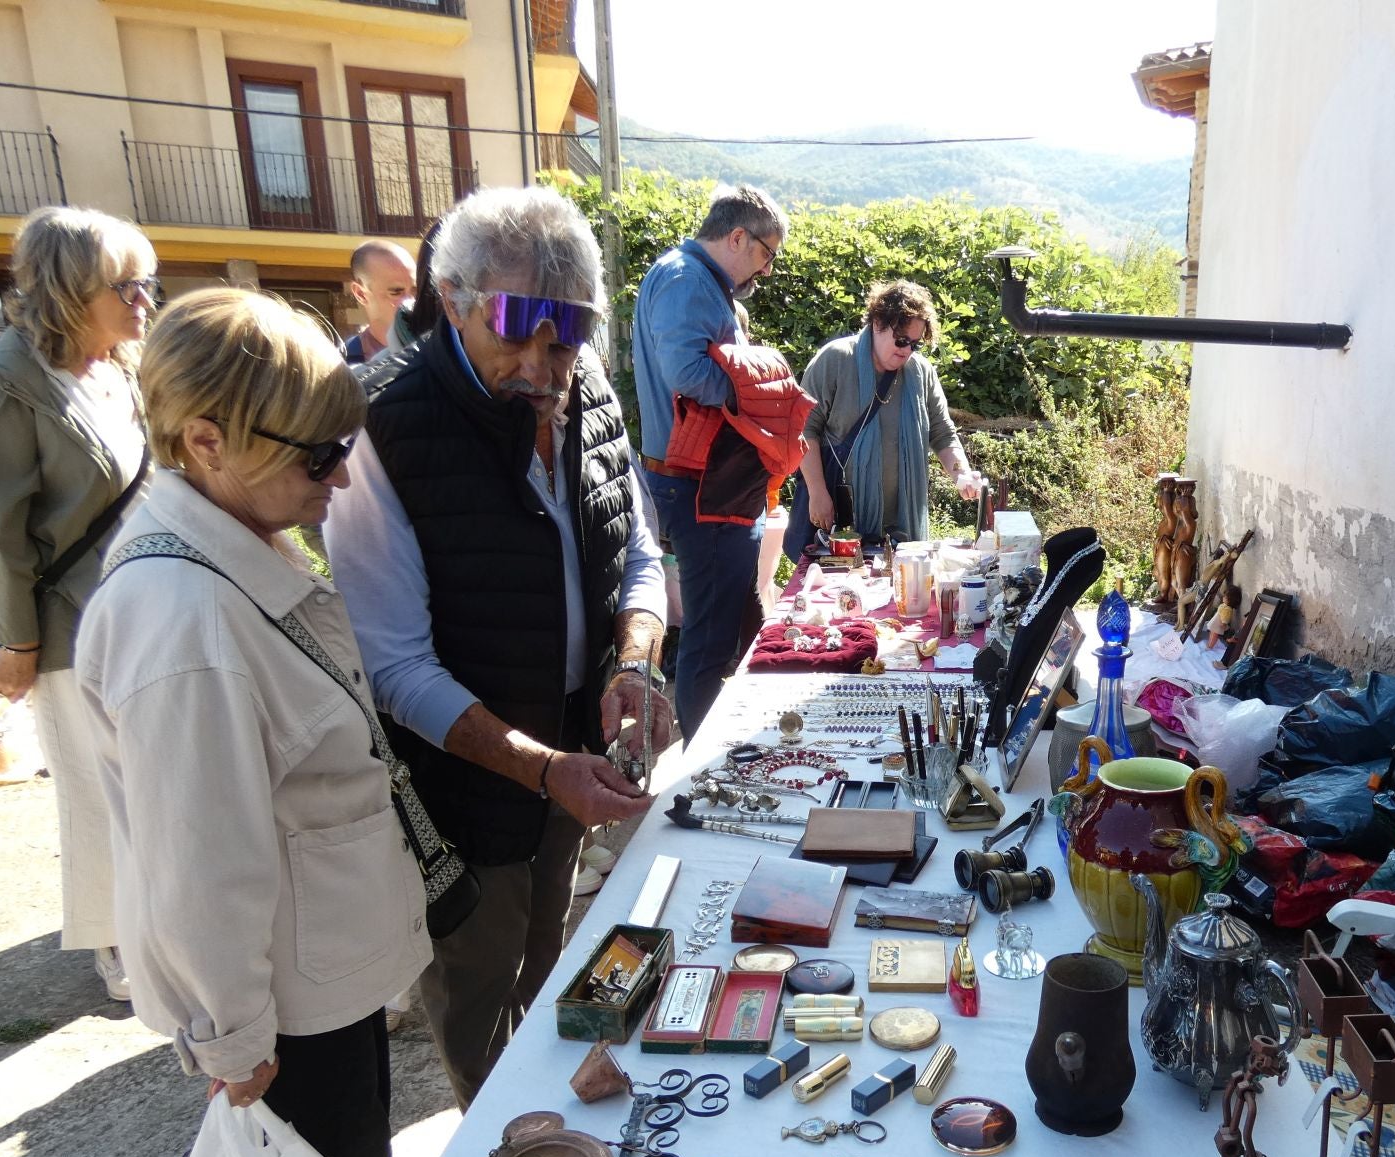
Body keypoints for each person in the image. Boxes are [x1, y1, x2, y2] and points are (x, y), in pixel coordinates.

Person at [75, 287, 430, 1157]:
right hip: (286, 1014)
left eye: (344, 448)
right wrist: (234, 1039)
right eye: (318, 457)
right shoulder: (183, 618)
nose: (341, 480)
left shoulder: (229, 550)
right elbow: (200, 861)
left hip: (319, 978)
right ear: (205, 440)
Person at [326, 186, 672, 1108]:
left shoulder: (585, 383)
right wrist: (540, 767)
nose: (538, 365)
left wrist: (634, 659)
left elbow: (637, 549)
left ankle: (549, 1108)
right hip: (463, 788)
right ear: (451, 300)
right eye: (512, 334)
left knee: (551, 959)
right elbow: (392, 666)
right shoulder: (385, 423)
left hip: (567, 760)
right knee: (475, 991)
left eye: (563, 339)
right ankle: (499, 1150)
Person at [0, 205, 157, 1004]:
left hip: (138, 611)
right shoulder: (7, 383)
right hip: (70, 624)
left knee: (145, 783)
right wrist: (16, 640)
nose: (145, 300)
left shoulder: (118, 370)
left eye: (147, 282)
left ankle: (150, 923)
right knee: (96, 790)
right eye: (126, 284)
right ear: (72, 291)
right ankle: (118, 945)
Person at [631, 182, 786, 742]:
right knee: (708, 639)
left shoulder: (692, 279)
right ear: (739, 237)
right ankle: (699, 772)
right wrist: (769, 391)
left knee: (736, 623)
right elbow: (690, 377)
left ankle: (738, 746)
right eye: (767, 254)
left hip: (709, 484)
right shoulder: (687, 279)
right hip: (699, 487)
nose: (766, 271)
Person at [787, 279, 984, 560]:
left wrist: (960, 472)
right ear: (878, 322)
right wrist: (818, 492)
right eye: (901, 340)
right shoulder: (836, 359)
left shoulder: (921, 372)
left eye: (915, 344)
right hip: (841, 521)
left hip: (901, 527)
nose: (906, 350)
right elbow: (804, 429)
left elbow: (942, 433)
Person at [341, 240, 418, 365]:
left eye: (415, 291)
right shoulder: (341, 367)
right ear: (361, 294)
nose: (411, 301)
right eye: (396, 292)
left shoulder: (439, 349)